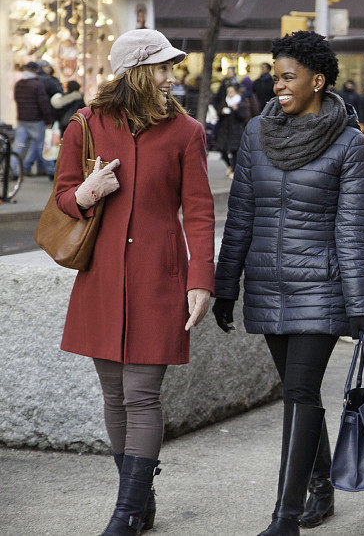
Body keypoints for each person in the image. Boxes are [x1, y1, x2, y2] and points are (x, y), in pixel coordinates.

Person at [212, 31, 364, 536]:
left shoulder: (349, 145)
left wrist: (360, 305)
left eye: (288, 77)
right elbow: (240, 215)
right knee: (299, 392)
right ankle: (322, 488)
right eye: (276, 75)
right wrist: (226, 284)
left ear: (318, 80)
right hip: (267, 283)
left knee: (301, 393)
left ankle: (284, 517)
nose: (276, 85)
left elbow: (352, 232)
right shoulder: (257, 136)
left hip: (320, 289)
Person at [54, 28, 215, 535]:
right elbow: (60, 198)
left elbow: (200, 211)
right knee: (113, 395)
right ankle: (140, 501)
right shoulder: (85, 125)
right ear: (137, 72)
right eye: (163, 68)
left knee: (141, 395)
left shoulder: (186, 131)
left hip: (158, 279)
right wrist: (86, 192)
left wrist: (201, 280)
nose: (172, 77)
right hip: (101, 276)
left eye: (173, 67)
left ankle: (125, 514)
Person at [13, 61, 53, 176]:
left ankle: (12, 169)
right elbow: (43, 103)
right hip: (36, 120)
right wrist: (48, 120)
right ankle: (51, 171)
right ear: (36, 71)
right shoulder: (37, 85)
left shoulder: (19, 84)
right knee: (41, 146)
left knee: (18, 145)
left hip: (22, 119)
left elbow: (17, 99)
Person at [213, 84, 249, 178]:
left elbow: (244, 117)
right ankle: (229, 166)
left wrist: (236, 110)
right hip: (224, 131)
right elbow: (218, 114)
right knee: (222, 149)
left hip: (236, 131)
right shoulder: (224, 102)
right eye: (228, 92)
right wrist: (221, 112)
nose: (229, 93)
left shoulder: (240, 102)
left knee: (234, 151)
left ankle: (233, 169)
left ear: (235, 92)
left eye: (231, 91)